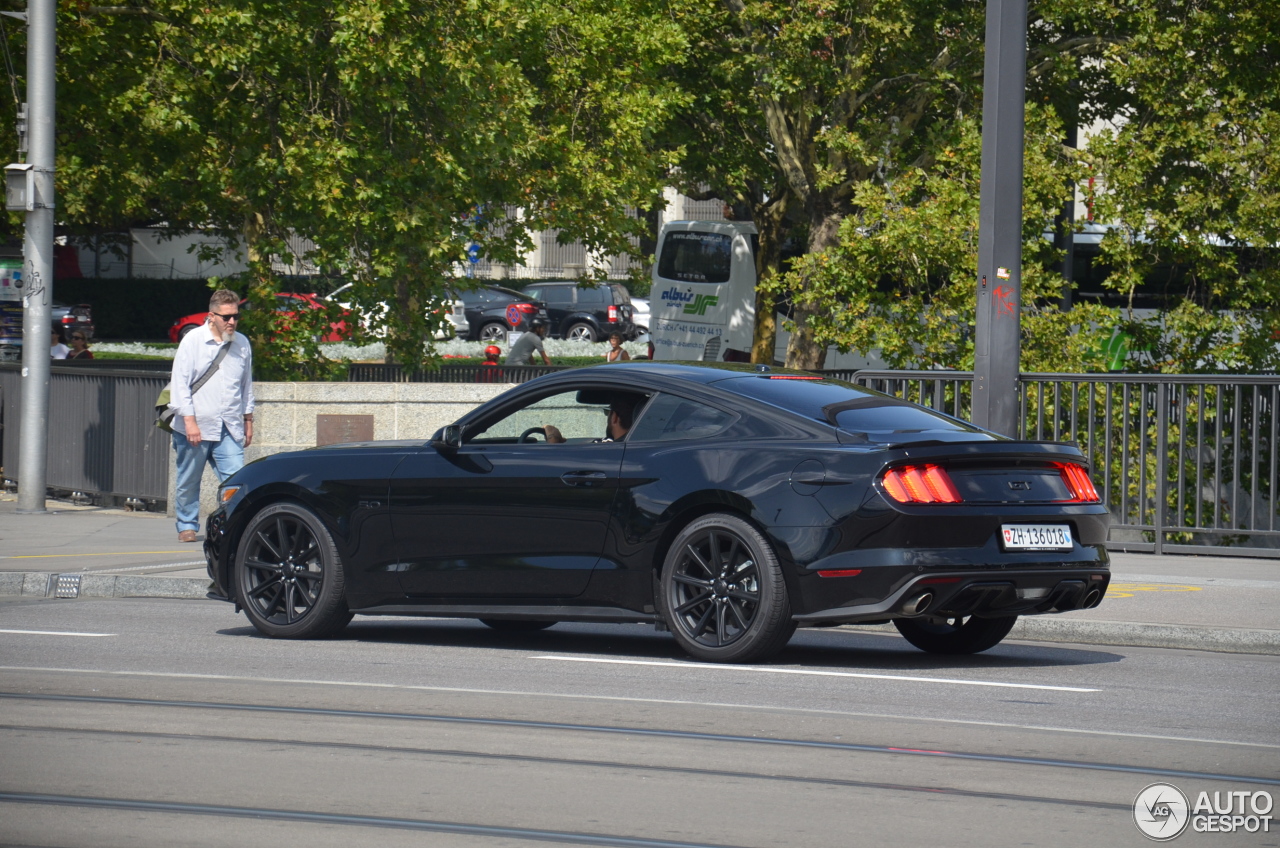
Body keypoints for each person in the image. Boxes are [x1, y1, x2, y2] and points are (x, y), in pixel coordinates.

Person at [169, 289, 255, 543]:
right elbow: (180, 384)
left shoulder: (242, 343)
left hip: (229, 424)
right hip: (195, 424)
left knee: (237, 479)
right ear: (211, 316)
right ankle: (186, 525)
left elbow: (246, 385)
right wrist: (189, 421)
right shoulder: (193, 340)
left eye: (235, 316)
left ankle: (236, 525)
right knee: (189, 479)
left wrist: (248, 420)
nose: (231, 322)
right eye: (226, 317)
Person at [545, 395, 638, 444]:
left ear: (614, 417)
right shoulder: (640, 445)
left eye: (607, 412)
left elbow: (555, 462)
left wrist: (553, 437)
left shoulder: (607, 448)